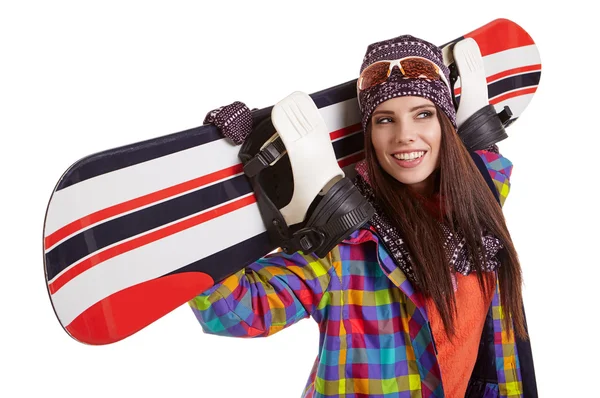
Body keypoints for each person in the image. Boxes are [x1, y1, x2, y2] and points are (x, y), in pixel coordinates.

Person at [189, 34, 537, 397]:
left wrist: (477, 124)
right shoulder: (345, 243)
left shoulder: (479, 207)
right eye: (385, 120)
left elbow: (487, 167)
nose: (405, 135)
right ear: (368, 134)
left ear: (447, 125)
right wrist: (227, 184)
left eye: (423, 114)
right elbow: (238, 310)